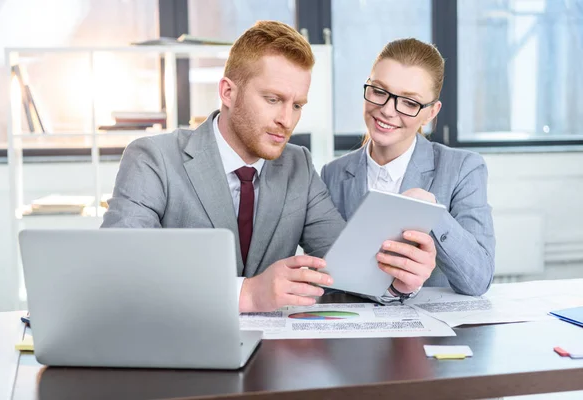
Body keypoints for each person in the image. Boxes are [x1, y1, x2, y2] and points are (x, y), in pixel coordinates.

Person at [102, 22, 437, 312]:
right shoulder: (153, 159)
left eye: (297, 105)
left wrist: (398, 283)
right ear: (228, 92)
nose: (286, 120)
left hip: (271, 366)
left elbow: (347, 268)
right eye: (273, 99)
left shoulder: (298, 166)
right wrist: (246, 294)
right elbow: (119, 272)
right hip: (180, 363)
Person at [321, 38, 495, 296]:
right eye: (379, 91)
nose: (388, 111)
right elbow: (331, 279)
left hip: (434, 333)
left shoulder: (463, 169)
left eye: (410, 103)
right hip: (356, 329)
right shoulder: (333, 174)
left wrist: (432, 212)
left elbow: (478, 280)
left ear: (431, 113)